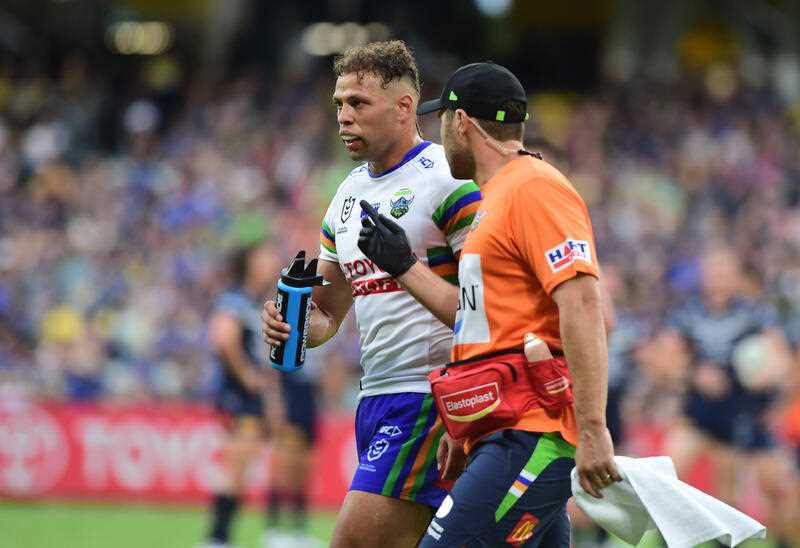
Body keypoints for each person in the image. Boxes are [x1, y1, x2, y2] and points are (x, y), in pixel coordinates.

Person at [357, 62, 620, 546]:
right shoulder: (496, 199)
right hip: (500, 430)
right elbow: (483, 323)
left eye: (441, 121)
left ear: (462, 122)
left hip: (531, 432)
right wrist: (463, 430)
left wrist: (593, 428)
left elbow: (586, 306)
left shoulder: (534, 188)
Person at [262, 40, 479, 547]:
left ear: (405, 107)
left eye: (358, 104)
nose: (343, 117)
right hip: (376, 398)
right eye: (339, 104)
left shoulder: (448, 180)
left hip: (429, 397)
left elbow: (488, 302)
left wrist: (466, 403)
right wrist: (291, 323)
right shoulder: (346, 195)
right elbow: (327, 314)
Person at [665, 247, 794, 546]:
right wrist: (693, 373)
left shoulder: (755, 314)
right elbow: (666, 356)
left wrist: (767, 374)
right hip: (698, 415)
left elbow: (780, 358)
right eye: (713, 273)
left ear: (737, 276)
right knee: (668, 471)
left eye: (725, 273)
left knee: (737, 495)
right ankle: (662, 539)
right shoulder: (688, 313)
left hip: (740, 417)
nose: (718, 279)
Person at [204, 243, 284, 548]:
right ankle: (216, 538)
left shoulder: (255, 302)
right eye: (265, 257)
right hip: (237, 397)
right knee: (235, 468)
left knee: (241, 469)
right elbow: (223, 338)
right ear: (249, 262)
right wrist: (247, 376)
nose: (272, 262)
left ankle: (220, 538)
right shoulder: (235, 300)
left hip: (253, 398)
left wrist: (271, 399)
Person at [264, 346, 323, 548]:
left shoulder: (321, 337)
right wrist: (275, 406)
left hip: (309, 408)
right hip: (290, 408)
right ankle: (273, 531)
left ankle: (299, 533)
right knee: (284, 473)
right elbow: (272, 374)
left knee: (302, 475)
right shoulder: (290, 336)